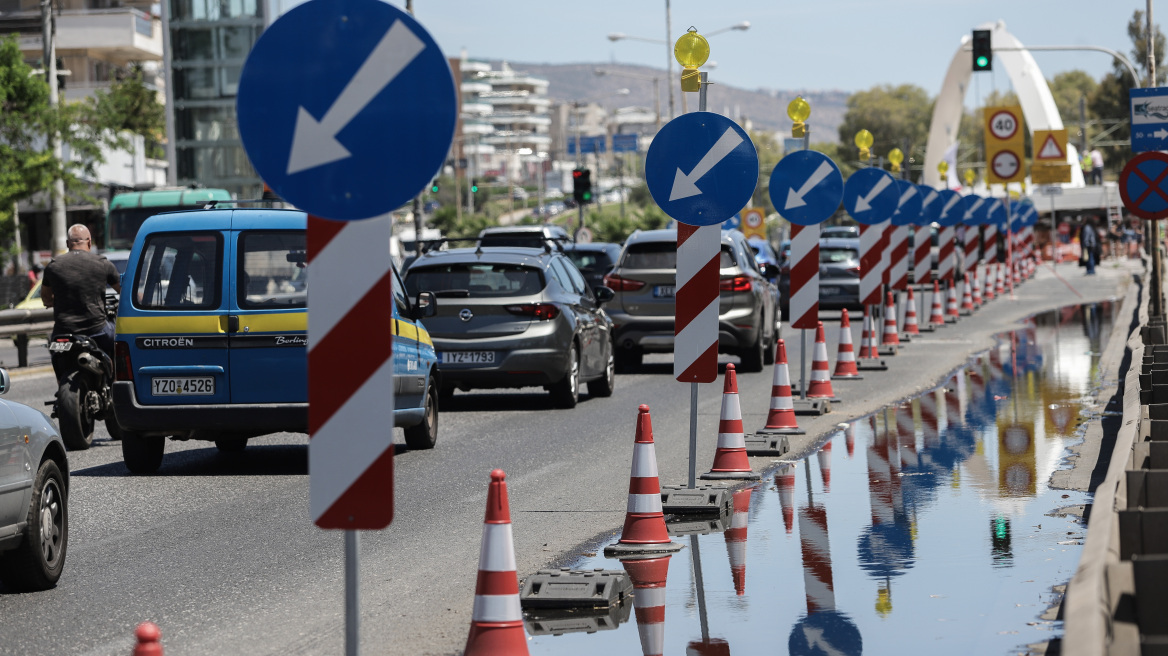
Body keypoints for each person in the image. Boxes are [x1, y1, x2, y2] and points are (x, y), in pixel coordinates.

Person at [42, 224, 121, 382]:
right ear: (90, 243)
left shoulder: (53, 266)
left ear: (67, 244)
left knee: (55, 350)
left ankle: (60, 381)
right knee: (119, 342)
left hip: (63, 332)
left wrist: (52, 302)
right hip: (97, 331)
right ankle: (115, 382)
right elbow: (122, 291)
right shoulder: (103, 263)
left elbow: (45, 298)